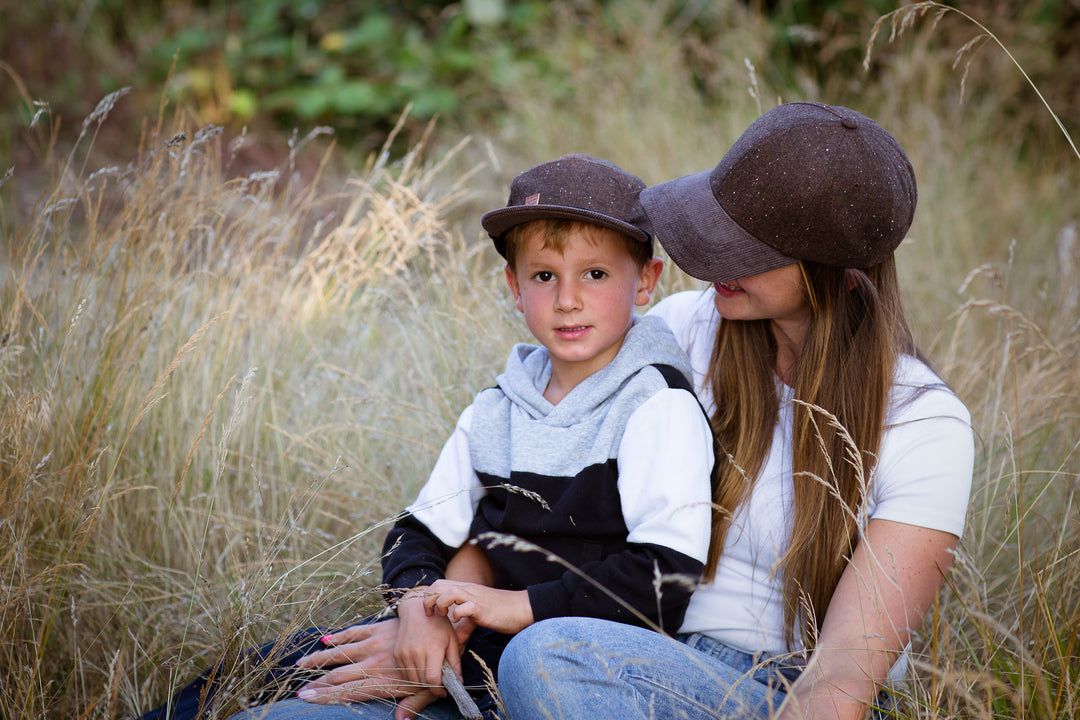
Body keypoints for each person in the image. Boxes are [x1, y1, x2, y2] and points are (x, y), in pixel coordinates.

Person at [497, 102, 975, 720]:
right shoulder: (678, 331)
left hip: (781, 694)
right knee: (333, 699)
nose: (711, 258)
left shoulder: (922, 425)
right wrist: (438, 620)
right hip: (624, 647)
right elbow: (525, 493)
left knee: (544, 660)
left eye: (744, 247)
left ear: (834, 272)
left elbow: (839, 685)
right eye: (715, 223)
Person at [209, 154, 715, 720]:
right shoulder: (495, 408)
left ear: (645, 280)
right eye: (544, 276)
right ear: (515, 287)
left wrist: (513, 605)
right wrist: (419, 612)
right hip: (455, 650)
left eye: (594, 274)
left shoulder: (656, 406)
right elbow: (416, 534)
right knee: (268, 676)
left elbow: (663, 579)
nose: (566, 299)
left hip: (567, 673)